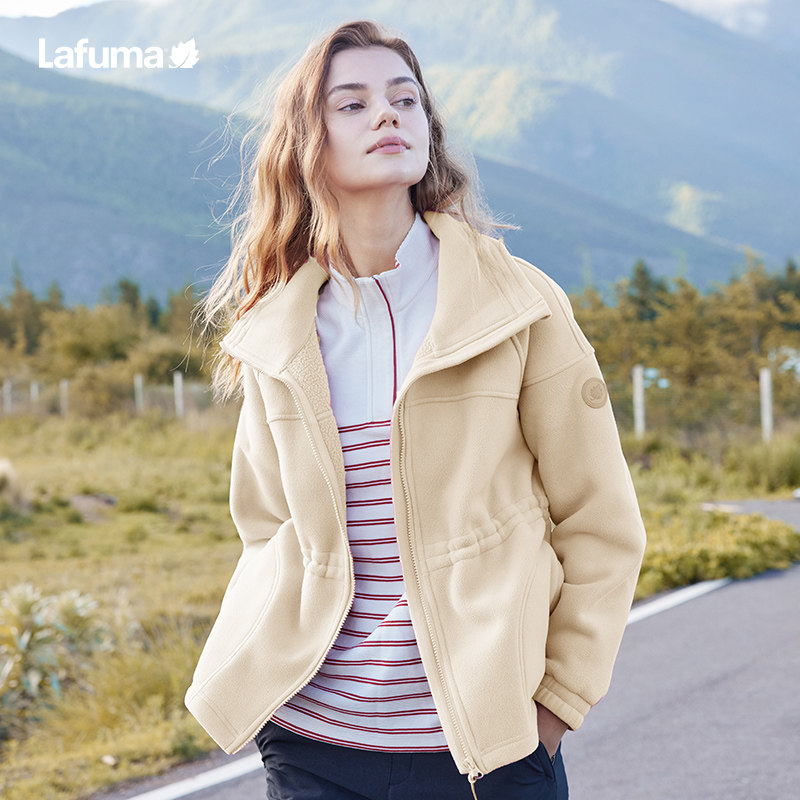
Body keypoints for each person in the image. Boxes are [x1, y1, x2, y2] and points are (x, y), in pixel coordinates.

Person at [186, 19, 646, 800]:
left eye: (405, 99)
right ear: (308, 143)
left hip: (486, 751)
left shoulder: (519, 305)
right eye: (353, 104)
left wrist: (555, 707)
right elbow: (266, 526)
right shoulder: (277, 331)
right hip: (313, 743)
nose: (387, 115)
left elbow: (600, 521)